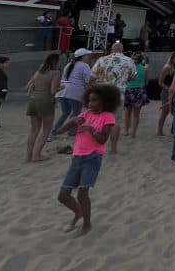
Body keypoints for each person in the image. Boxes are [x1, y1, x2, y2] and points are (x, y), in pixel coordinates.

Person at [56, 84, 120, 235]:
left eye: (95, 101)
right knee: (63, 196)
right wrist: (72, 121)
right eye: (89, 100)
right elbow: (60, 130)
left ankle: (87, 224)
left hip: (92, 158)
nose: (91, 104)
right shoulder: (85, 114)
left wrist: (91, 129)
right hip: (77, 157)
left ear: (105, 101)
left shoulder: (108, 116)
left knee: (82, 194)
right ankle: (78, 213)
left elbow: (103, 140)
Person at [90, 42, 136, 154]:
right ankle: (113, 149)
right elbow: (132, 78)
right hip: (118, 94)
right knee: (115, 122)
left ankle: (96, 146)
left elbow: (92, 76)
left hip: (102, 94)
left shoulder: (102, 60)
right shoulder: (129, 61)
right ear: (123, 50)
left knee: (98, 120)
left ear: (111, 49)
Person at [25, 53, 62, 162]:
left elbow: (29, 86)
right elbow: (52, 91)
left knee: (34, 130)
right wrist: (61, 87)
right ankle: (37, 155)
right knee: (46, 130)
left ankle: (28, 156)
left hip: (33, 100)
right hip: (46, 101)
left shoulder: (39, 72)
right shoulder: (56, 73)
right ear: (56, 62)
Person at [51, 48, 93, 138]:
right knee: (76, 113)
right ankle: (71, 132)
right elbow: (87, 80)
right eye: (87, 55)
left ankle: (54, 130)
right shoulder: (85, 66)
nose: (89, 56)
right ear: (82, 57)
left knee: (65, 112)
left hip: (62, 92)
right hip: (75, 91)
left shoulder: (69, 64)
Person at [123, 53, 149, 138]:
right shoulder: (145, 69)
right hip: (139, 90)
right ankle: (133, 133)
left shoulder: (129, 68)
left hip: (129, 89)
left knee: (127, 112)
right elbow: (147, 82)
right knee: (136, 114)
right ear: (142, 60)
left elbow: (125, 79)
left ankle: (126, 131)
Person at [156, 52, 175, 136]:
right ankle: (159, 131)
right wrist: (169, 89)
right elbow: (160, 82)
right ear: (172, 59)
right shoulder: (166, 67)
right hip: (166, 92)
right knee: (165, 112)